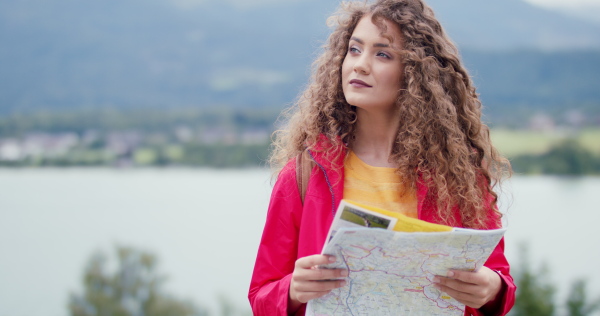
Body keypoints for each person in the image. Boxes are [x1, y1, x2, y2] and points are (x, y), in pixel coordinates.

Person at [248, 0, 516, 315]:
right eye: (354, 49)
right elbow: (261, 296)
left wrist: (492, 288)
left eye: (383, 54)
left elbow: (499, 282)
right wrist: (293, 290)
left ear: (415, 73)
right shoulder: (304, 173)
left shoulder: (458, 175)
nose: (360, 65)